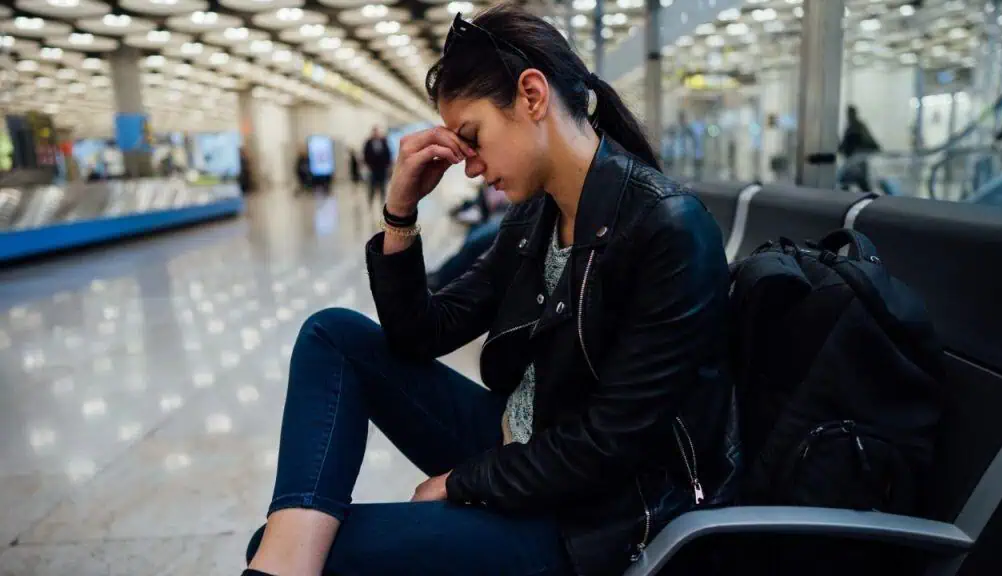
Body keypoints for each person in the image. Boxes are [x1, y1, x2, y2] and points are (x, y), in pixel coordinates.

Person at [242, 5, 737, 576]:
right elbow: (422, 333)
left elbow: (610, 444)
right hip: (521, 445)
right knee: (332, 334)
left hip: (590, 517)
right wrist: (400, 210)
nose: (470, 167)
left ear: (532, 96)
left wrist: (463, 482)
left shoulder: (667, 228)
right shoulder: (537, 218)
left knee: (304, 548)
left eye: (472, 138)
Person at [838, 105, 880, 192]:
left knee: (854, 179)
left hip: (858, 158)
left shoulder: (856, 126)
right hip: (857, 158)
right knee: (855, 180)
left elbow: (850, 143)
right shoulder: (854, 126)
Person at [363, 125, 392, 208]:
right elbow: (365, 154)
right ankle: (370, 202)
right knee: (371, 186)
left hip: (382, 168)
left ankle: (382, 202)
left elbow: (388, 153)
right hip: (372, 168)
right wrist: (368, 165)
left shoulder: (384, 141)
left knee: (383, 186)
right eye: (374, 132)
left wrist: (388, 165)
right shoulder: (368, 142)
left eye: (377, 132)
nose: (376, 133)